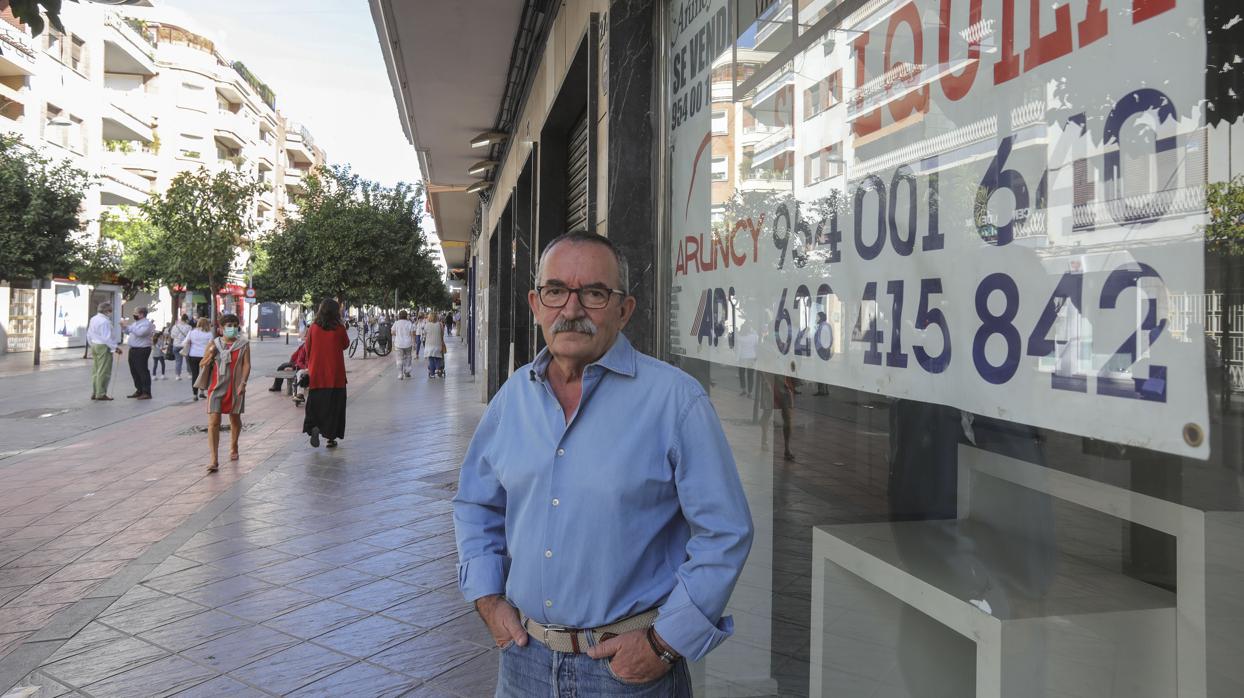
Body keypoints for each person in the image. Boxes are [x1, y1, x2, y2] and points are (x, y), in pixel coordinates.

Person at [454, 232, 753, 696]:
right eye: (555, 291)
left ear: (624, 309)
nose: (571, 310)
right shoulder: (512, 399)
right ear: (536, 303)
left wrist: (665, 642)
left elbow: (726, 532)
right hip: (523, 662)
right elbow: (477, 504)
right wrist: (489, 600)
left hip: (626, 672)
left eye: (593, 293)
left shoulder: (675, 401)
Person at [200, 314, 251, 473]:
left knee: (234, 418)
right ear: (221, 328)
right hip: (216, 388)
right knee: (214, 421)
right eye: (229, 325)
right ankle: (214, 459)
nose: (232, 328)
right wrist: (210, 355)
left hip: (235, 387)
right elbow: (202, 363)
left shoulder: (243, 344)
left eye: (235, 325)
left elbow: (246, 365)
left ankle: (234, 445)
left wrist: (243, 383)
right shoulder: (213, 344)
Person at [304, 298, 349, 448]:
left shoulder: (313, 328)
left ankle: (315, 426)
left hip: (317, 374)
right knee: (335, 407)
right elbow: (345, 345)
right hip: (336, 375)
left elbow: (307, 348)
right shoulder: (339, 328)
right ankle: (331, 438)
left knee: (316, 404)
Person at [87, 301, 122, 400]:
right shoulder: (104, 322)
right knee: (104, 371)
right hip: (103, 346)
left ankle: (95, 392)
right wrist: (115, 348)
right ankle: (101, 393)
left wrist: (92, 344)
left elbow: (89, 333)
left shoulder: (93, 319)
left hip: (95, 345)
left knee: (96, 370)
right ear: (107, 311)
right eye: (110, 310)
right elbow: (107, 338)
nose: (111, 312)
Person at [124, 307, 155, 399]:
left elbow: (140, 333)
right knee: (134, 370)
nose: (134, 314)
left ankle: (146, 392)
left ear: (141, 314)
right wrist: (124, 327)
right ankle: (139, 390)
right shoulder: (136, 323)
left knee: (142, 370)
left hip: (142, 349)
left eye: (135, 313)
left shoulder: (147, 324)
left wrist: (130, 328)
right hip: (133, 349)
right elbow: (128, 331)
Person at [183, 318, 213, 401]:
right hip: (205, 356)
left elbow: (184, 342)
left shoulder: (192, 332)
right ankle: (202, 392)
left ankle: (194, 394)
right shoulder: (209, 334)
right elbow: (211, 345)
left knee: (195, 375)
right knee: (203, 374)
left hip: (193, 355)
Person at [392, 310, 416, 379]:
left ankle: (400, 374)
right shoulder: (409, 323)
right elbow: (412, 334)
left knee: (399, 359)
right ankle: (407, 371)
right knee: (408, 357)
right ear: (406, 316)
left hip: (398, 343)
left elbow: (392, 332)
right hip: (408, 343)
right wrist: (414, 343)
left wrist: (398, 334)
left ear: (399, 316)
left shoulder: (396, 323)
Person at [422, 311, 446, 378]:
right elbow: (442, 334)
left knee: (431, 358)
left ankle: (432, 373)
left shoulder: (427, 325)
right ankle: (439, 370)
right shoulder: (440, 324)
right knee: (438, 358)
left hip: (429, 345)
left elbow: (424, 334)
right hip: (438, 344)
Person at [169, 314, 192, 380]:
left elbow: (172, 336)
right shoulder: (189, 327)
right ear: (187, 320)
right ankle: (190, 374)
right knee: (188, 360)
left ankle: (177, 375)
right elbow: (190, 337)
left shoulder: (175, 326)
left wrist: (178, 338)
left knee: (178, 361)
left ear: (181, 319)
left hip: (176, 345)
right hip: (186, 345)